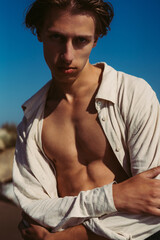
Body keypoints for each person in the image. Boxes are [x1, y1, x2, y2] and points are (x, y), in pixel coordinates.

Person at [13, 0, 160, 239]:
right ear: (39, 33)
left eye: (80, 40)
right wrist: (115, 196)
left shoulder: (133, 95)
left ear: (96, 39)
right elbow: (34, 208)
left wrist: (63, 237)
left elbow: (155, 201)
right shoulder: (30, 122)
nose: (67, 55)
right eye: (56, 37)